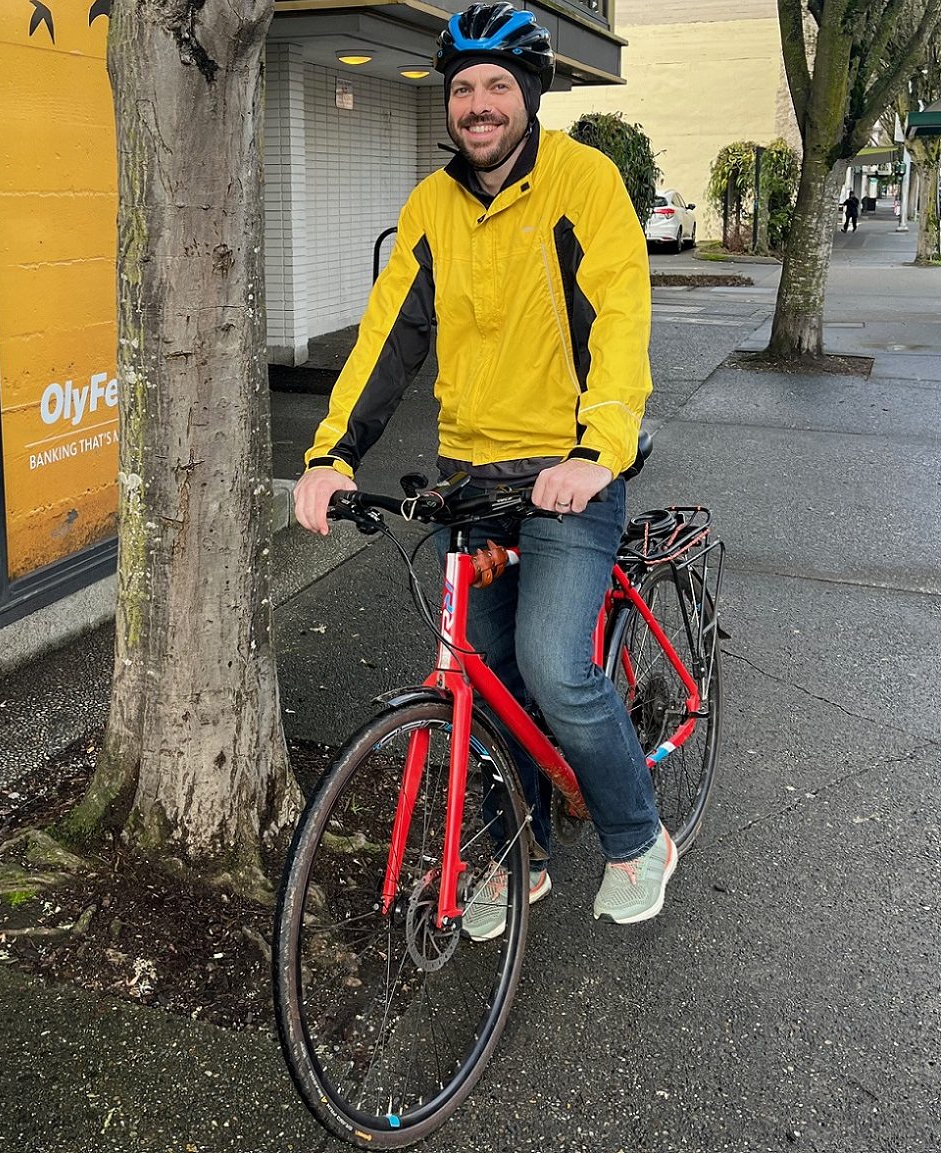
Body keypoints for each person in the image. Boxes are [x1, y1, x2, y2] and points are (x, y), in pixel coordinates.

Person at [293, 1, 675, 931]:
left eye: (498, 85)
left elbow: (620, 316)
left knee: (550, 662)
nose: (478, 104)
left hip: (568, 469)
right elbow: (389, 337)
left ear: (530, 94)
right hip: (473, 477)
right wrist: (329, 452)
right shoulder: (431, 207)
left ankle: (637, 837)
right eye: (463, 88)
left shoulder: (584, 184)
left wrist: (598, 448)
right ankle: (521, 852)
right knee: (481, 668)